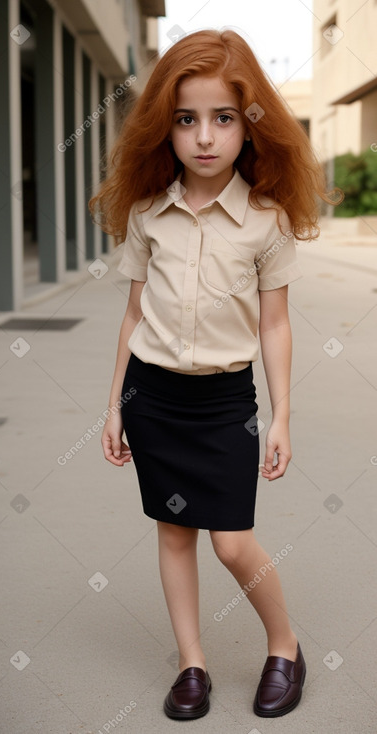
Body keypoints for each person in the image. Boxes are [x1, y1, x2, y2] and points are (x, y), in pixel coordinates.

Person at [89, 29, 341, 720]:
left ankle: (283, 644)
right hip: (154, 398)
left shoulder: (264, 221)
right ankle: (191, 664)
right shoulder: (148, 214)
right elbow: (134, 316)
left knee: (230, 541)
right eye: (185, 118)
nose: (204, 136)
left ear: (248, 123)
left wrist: (281, 416)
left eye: (222, 118)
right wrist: (114, 405)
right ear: (162, 126)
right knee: (173, 534)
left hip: (224, 401)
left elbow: (275, 326)